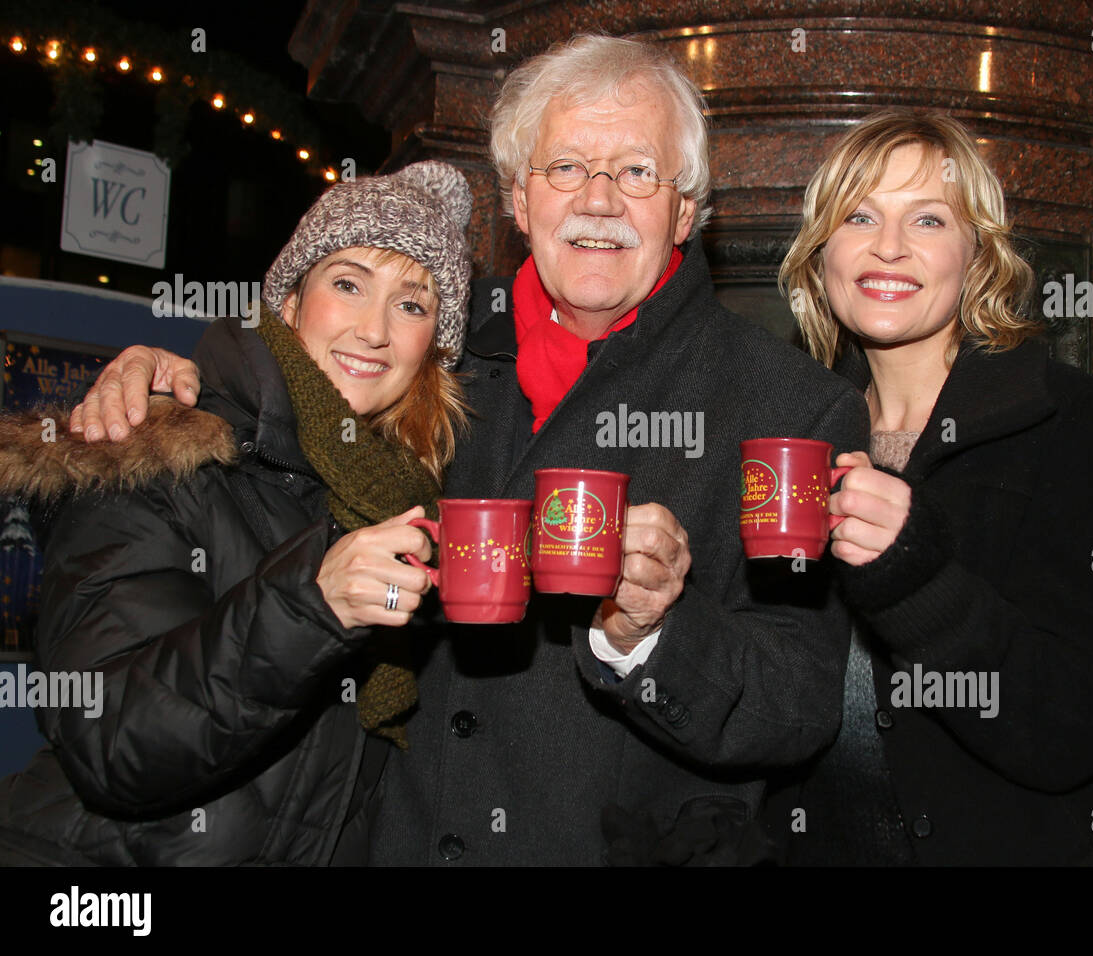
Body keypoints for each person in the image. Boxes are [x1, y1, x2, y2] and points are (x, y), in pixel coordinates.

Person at [60, 35, 868, 865]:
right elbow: (294, 391)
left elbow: (799, 706)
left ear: (686, 211)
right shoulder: (425, 361)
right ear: (518, 201)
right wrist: (182, 377)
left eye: (637, 172)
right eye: (564, 169)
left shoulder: (790, 410)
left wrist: (650, 636)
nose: (599, 200)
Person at [0, 160, 472, 865]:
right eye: (347, 284)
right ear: (288, 302)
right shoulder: (158, 452)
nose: (375, 330)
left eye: (413, 304)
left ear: (434, 345)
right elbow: (110, 739)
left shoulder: (396, 497)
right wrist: (309, 606)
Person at [775, 109, 1093, 864]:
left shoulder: (1060, 417)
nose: (888, 247)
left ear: (976, 256)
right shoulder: (793, 434)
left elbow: (1076, 727)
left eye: (927, 219)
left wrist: (913, 578)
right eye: (859, 216)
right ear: (822, 257)